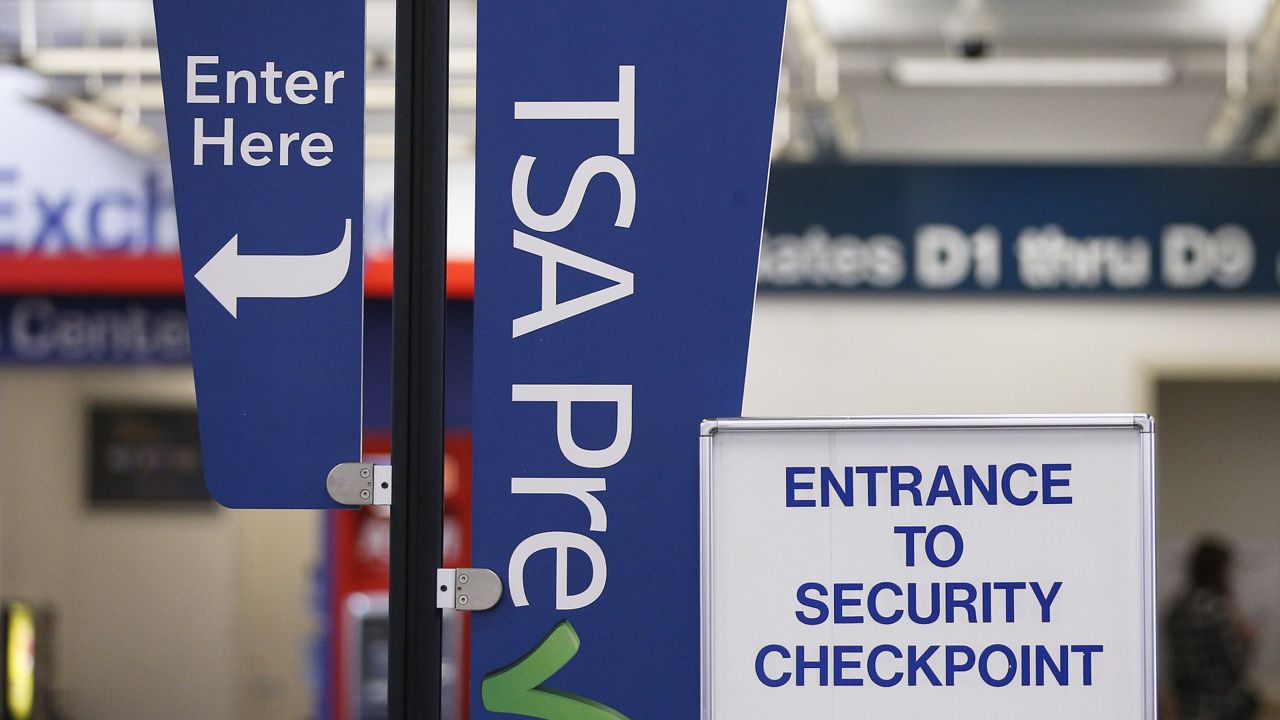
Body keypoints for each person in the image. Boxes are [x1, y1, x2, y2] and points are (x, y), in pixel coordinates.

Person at [1166, 538, 1258, 720]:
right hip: (1219, 706)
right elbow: (1235, 664)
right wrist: (1246, 640)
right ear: (1220, 570)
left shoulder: (1178, 606)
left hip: (1186, 705)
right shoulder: (1217, 608)